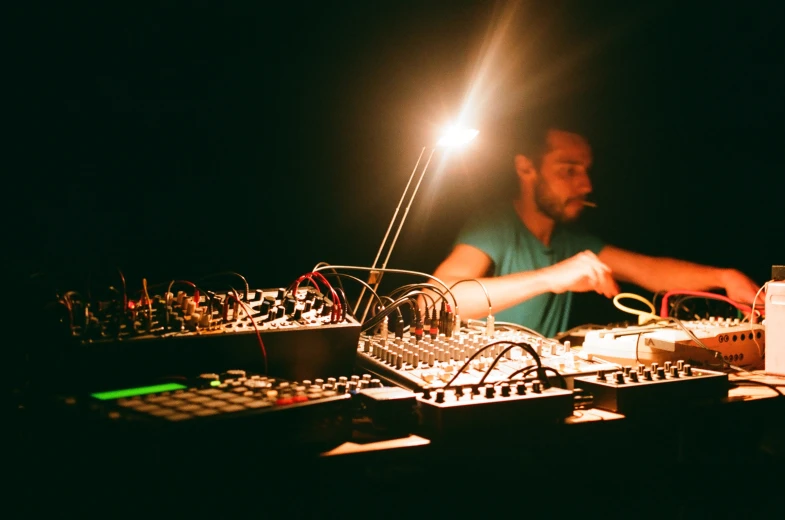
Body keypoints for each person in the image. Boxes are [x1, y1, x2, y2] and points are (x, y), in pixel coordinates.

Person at [431, 123, 762, 338]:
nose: (586, 185)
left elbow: (648, 270)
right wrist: (550, 277)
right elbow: (434, 299)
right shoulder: (494, 225)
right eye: (569, 170)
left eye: (586, 171)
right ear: (525, 167)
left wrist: (725, 277)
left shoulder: (573, 239)